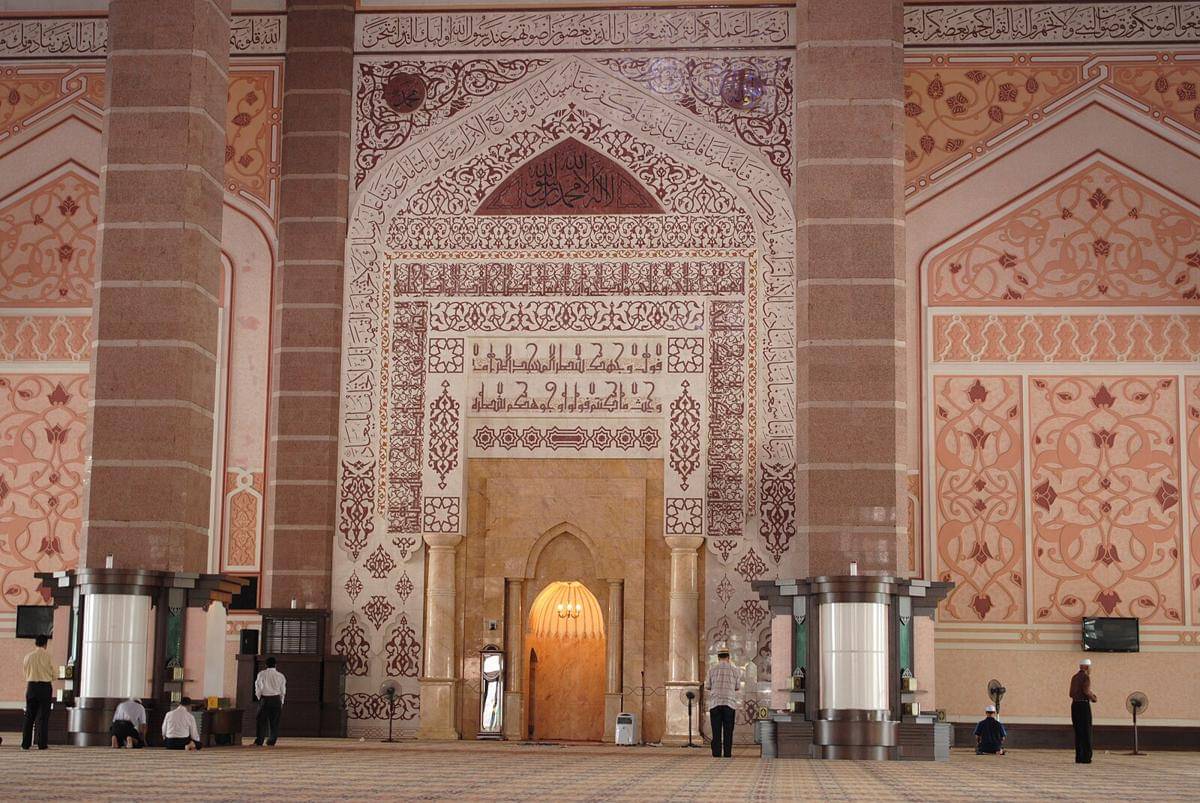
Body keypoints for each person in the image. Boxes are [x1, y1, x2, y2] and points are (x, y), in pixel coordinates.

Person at [704, 650, 742, 758]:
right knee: (728, 730)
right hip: (729, 703)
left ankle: (716, 753)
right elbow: (737, 687)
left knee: (716, 730)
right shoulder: (735, 670)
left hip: (715, 703)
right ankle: (727, 753)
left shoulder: (712, 669)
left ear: (718, 657)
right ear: (728, 657)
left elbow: (708, 686)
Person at [21, 634, 55, 750]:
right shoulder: (48, 656)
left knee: (29, 715)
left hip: (31, 686)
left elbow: (25, 673)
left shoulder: (28, 656)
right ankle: (42, 744)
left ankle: (25, 744)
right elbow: (54, 673)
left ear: (35, 643)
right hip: (45, 687)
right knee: (43, 717)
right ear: (46, 644)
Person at [1069, 658, 1097, 763]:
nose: (1090, 669)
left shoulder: (1074, 677)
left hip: (1075, 705)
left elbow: (1071, 693)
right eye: (1090, 667)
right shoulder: (1086, 677)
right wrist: (1093, 697)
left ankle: (1078, 757)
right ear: (1086, 667)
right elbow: (1086, 691)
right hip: (1083, 705)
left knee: (1078, 731)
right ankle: (1086, 757)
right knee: (1086, 731)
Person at [253, 656, 287, 746]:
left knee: (261, 721)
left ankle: (259, 740)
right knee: (274, 721)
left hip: (265, 699)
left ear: (266, 664)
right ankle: (271, 741)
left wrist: (260, 697)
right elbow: (283, 691)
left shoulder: (261, 674)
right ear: (275, 665)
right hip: (276, 699)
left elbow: (258, 687)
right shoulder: (281, 676)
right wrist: (281, 701)